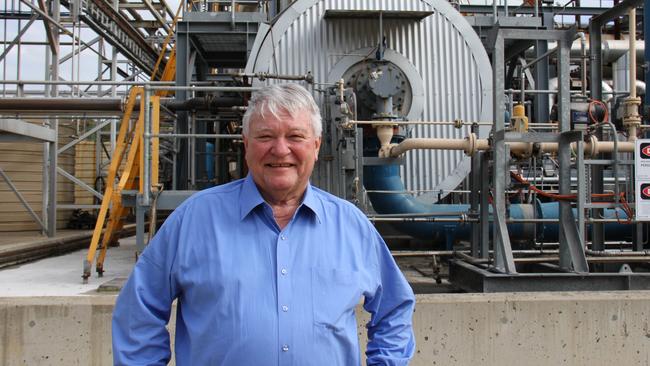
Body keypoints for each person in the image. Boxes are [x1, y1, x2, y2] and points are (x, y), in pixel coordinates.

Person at [112, 83, 415, 365]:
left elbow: (394, 308)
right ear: (246, 144)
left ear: (317, 145)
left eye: (295, 136)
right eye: (265, 136)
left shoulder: (350, 225)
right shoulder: (194, 220)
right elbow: (137, 314)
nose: (280, 150)